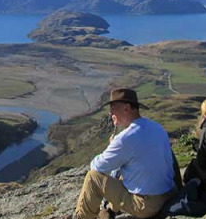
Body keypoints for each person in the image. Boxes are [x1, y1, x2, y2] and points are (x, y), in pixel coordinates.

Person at [71, 88, 176, 219]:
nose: (110, 113)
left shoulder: (125, 138)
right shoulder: (157, 128)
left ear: (126, 108)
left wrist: (111, 146)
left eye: (113, 108)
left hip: (147, 205)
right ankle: (110, 211)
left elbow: (97, 167)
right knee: (125, 173)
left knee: (93, 178)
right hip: (169, 195)